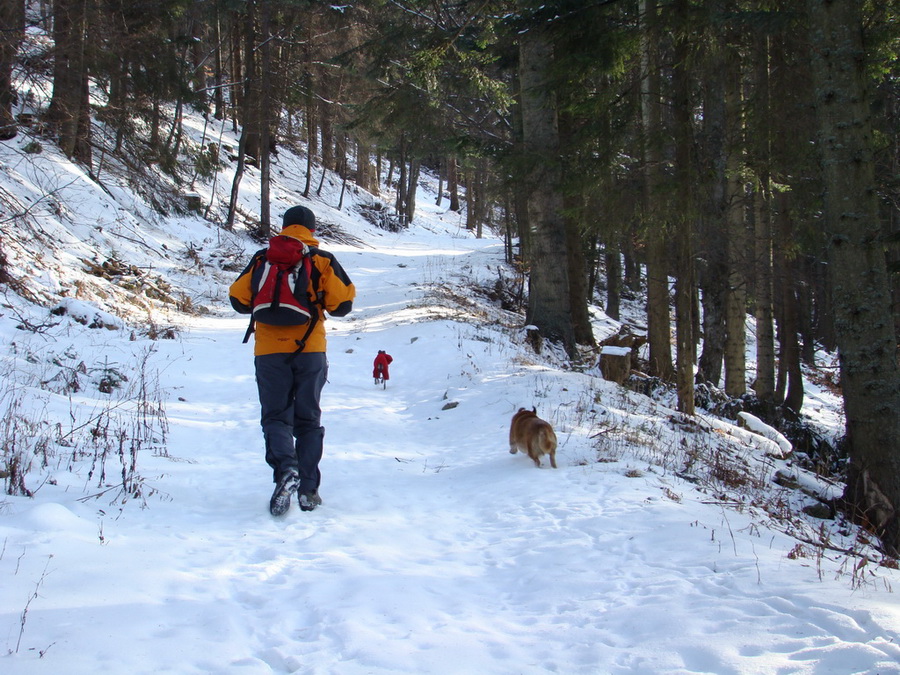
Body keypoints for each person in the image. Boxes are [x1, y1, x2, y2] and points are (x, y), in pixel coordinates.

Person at [229, 205, 355, 516]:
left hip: (269, 352)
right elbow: (342, 306)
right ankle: (309, 491)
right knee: (308, 420)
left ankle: (286, 469)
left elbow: (238, 299)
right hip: (310, 350)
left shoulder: (263, 258)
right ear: (312, 231)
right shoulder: (321, 259)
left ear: (284, 228)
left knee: (275, 417)